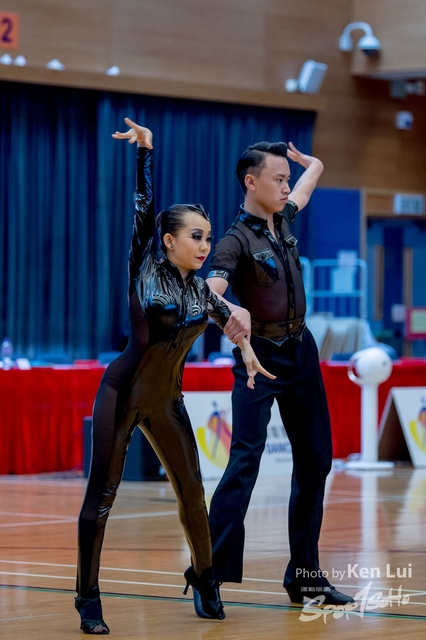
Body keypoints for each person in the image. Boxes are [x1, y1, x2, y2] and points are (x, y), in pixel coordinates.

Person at [75, 118, 274, 634]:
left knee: (192, 492)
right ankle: (87, 597)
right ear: (168, 240)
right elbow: (143, 207)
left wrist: (248, 352)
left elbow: (230, 321)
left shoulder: (202, 291)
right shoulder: (144, 266)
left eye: (208, 237)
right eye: (195, 236)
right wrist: (146, 153)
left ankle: (205, 580)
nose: (205, 245)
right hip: (121, 394)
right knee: (101, 498)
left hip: (168, 402)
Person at [205, 140, 355, 607]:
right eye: (279, 179)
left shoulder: (284, 217)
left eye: (288, 179)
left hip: (301, 352)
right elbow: (208, 292)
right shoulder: (234, 240)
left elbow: (306, 189)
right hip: (259, 357)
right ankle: (209, 575)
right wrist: (232, 310)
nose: (287, 187)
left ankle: (305, 578)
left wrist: (315, 164)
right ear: (251, 182)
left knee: (316, 461)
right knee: (244, 464)